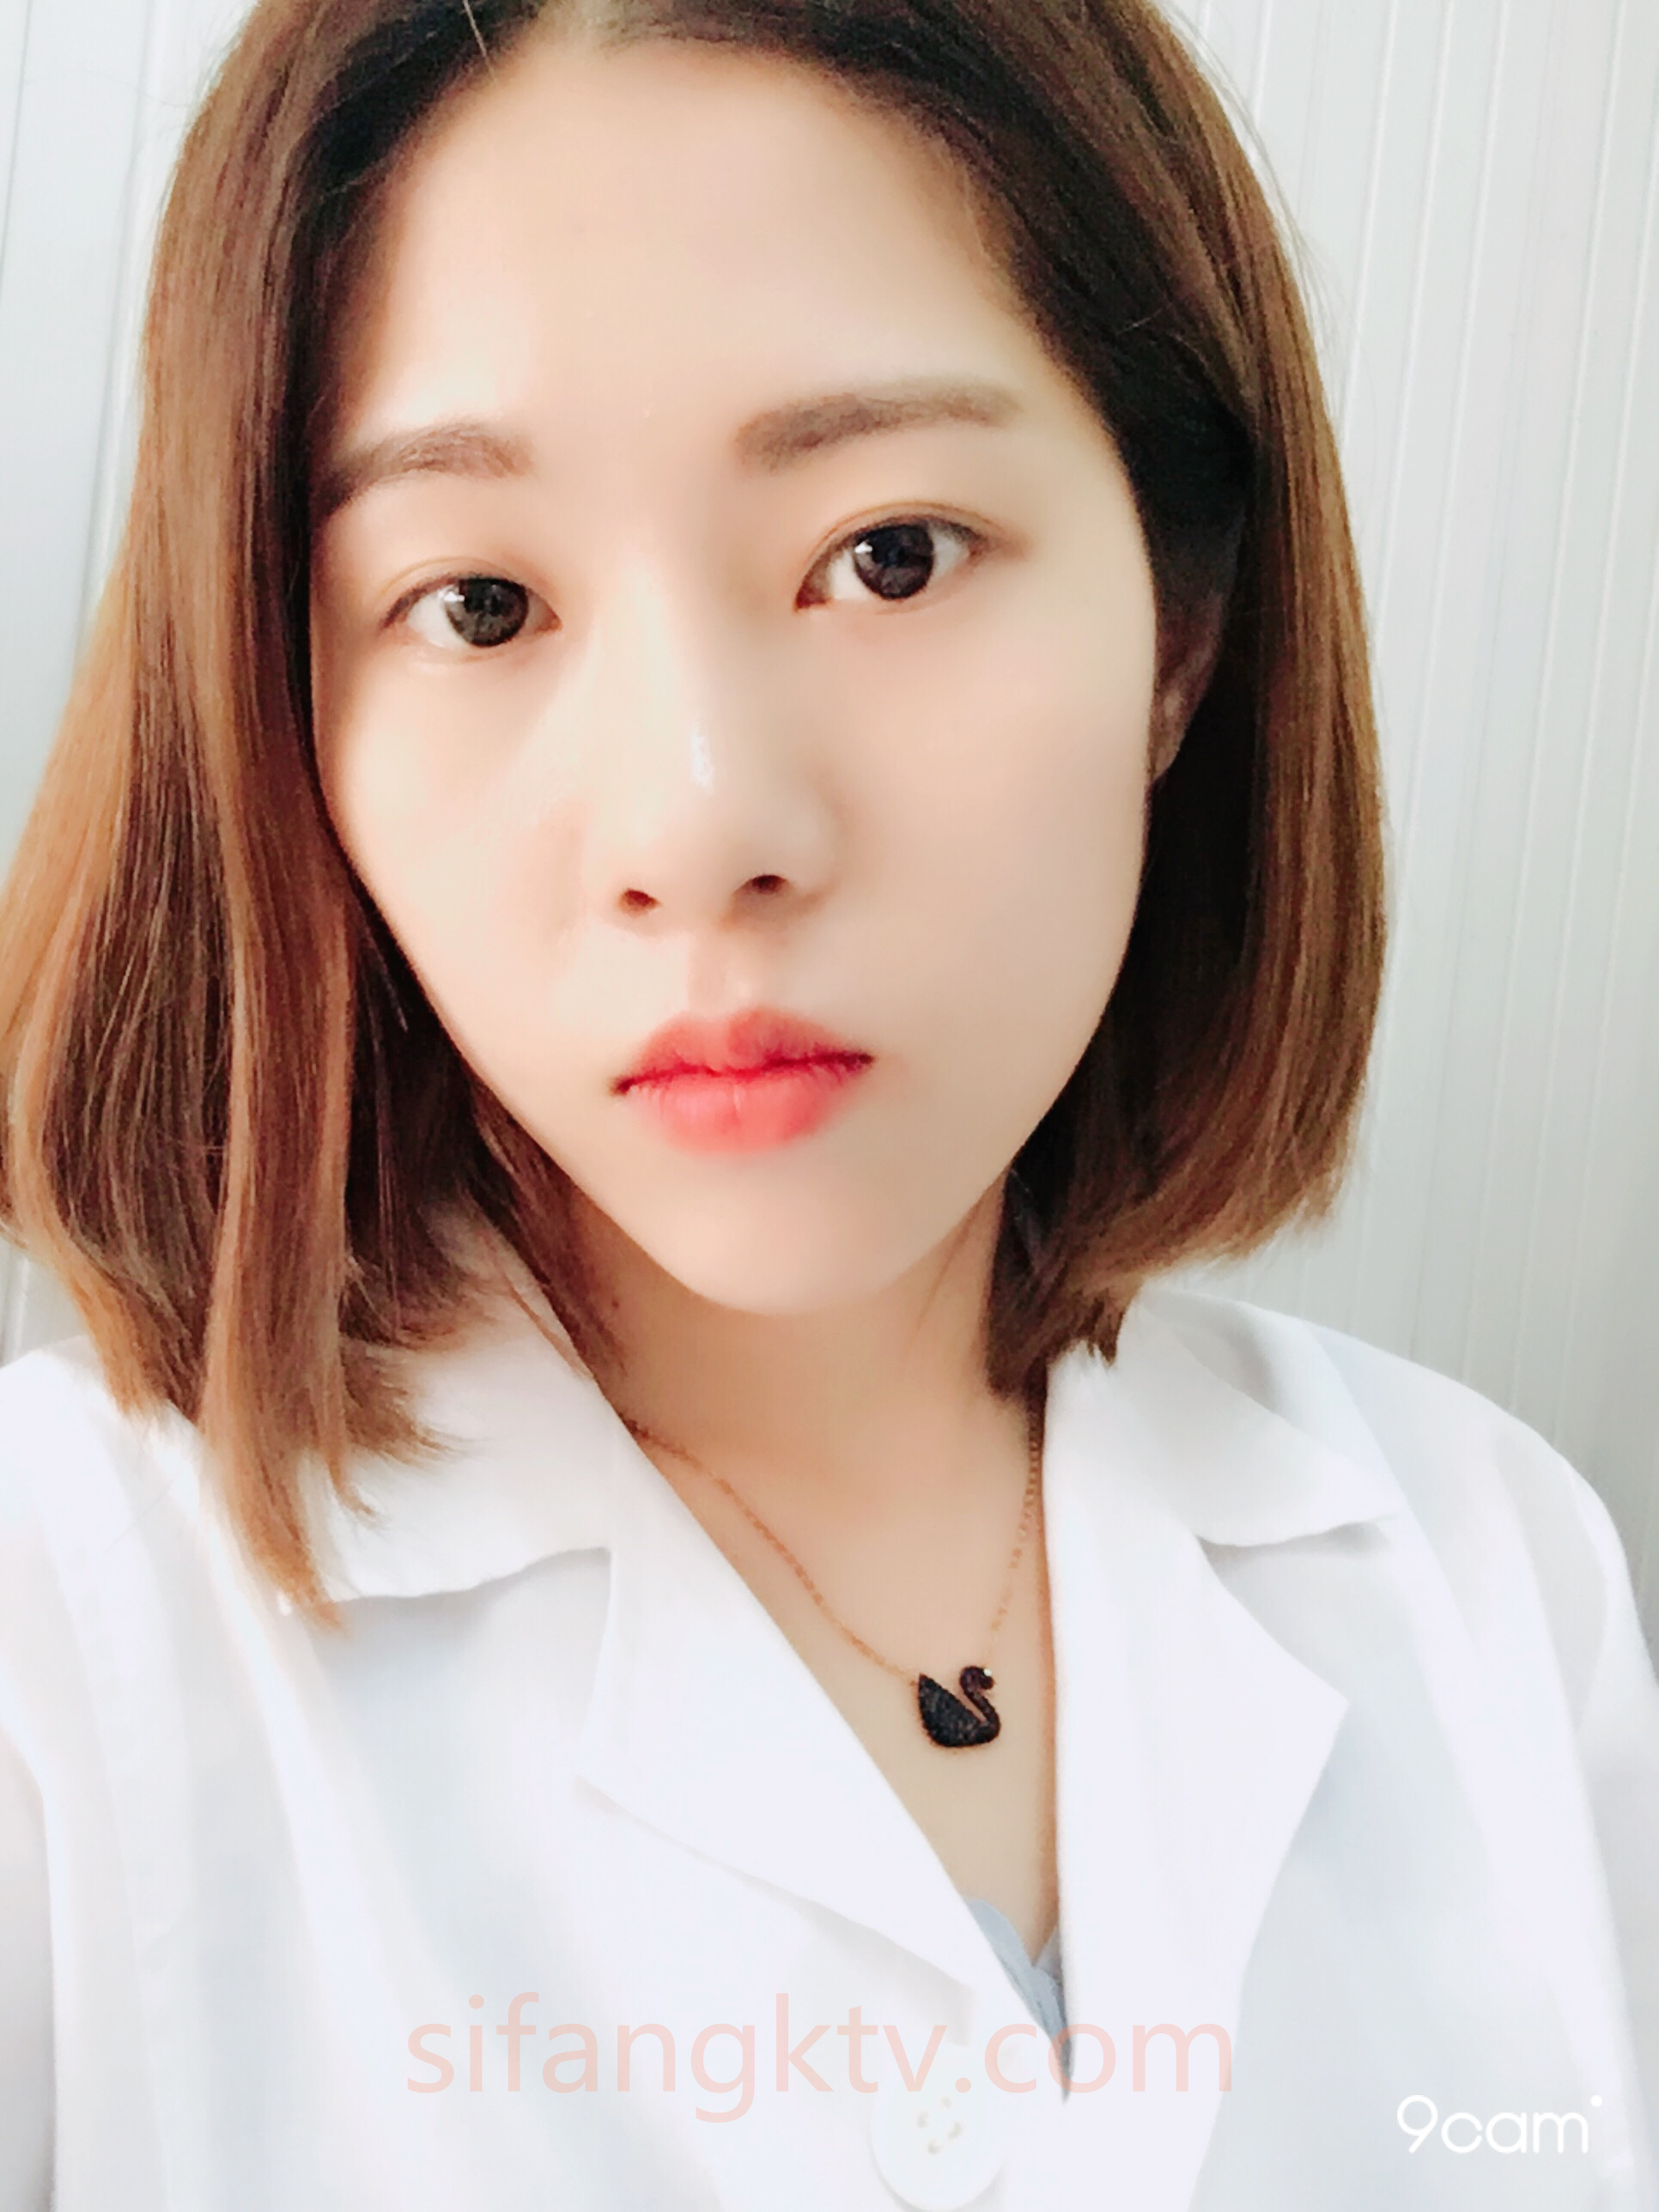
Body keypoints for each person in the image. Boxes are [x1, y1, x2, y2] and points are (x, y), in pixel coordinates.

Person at [1, 1, 1655, 2205]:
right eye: (478, 602)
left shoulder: (1491, 1567)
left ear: (1183, 626)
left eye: (890, 554)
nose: (701, 825)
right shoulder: (57, 1653)